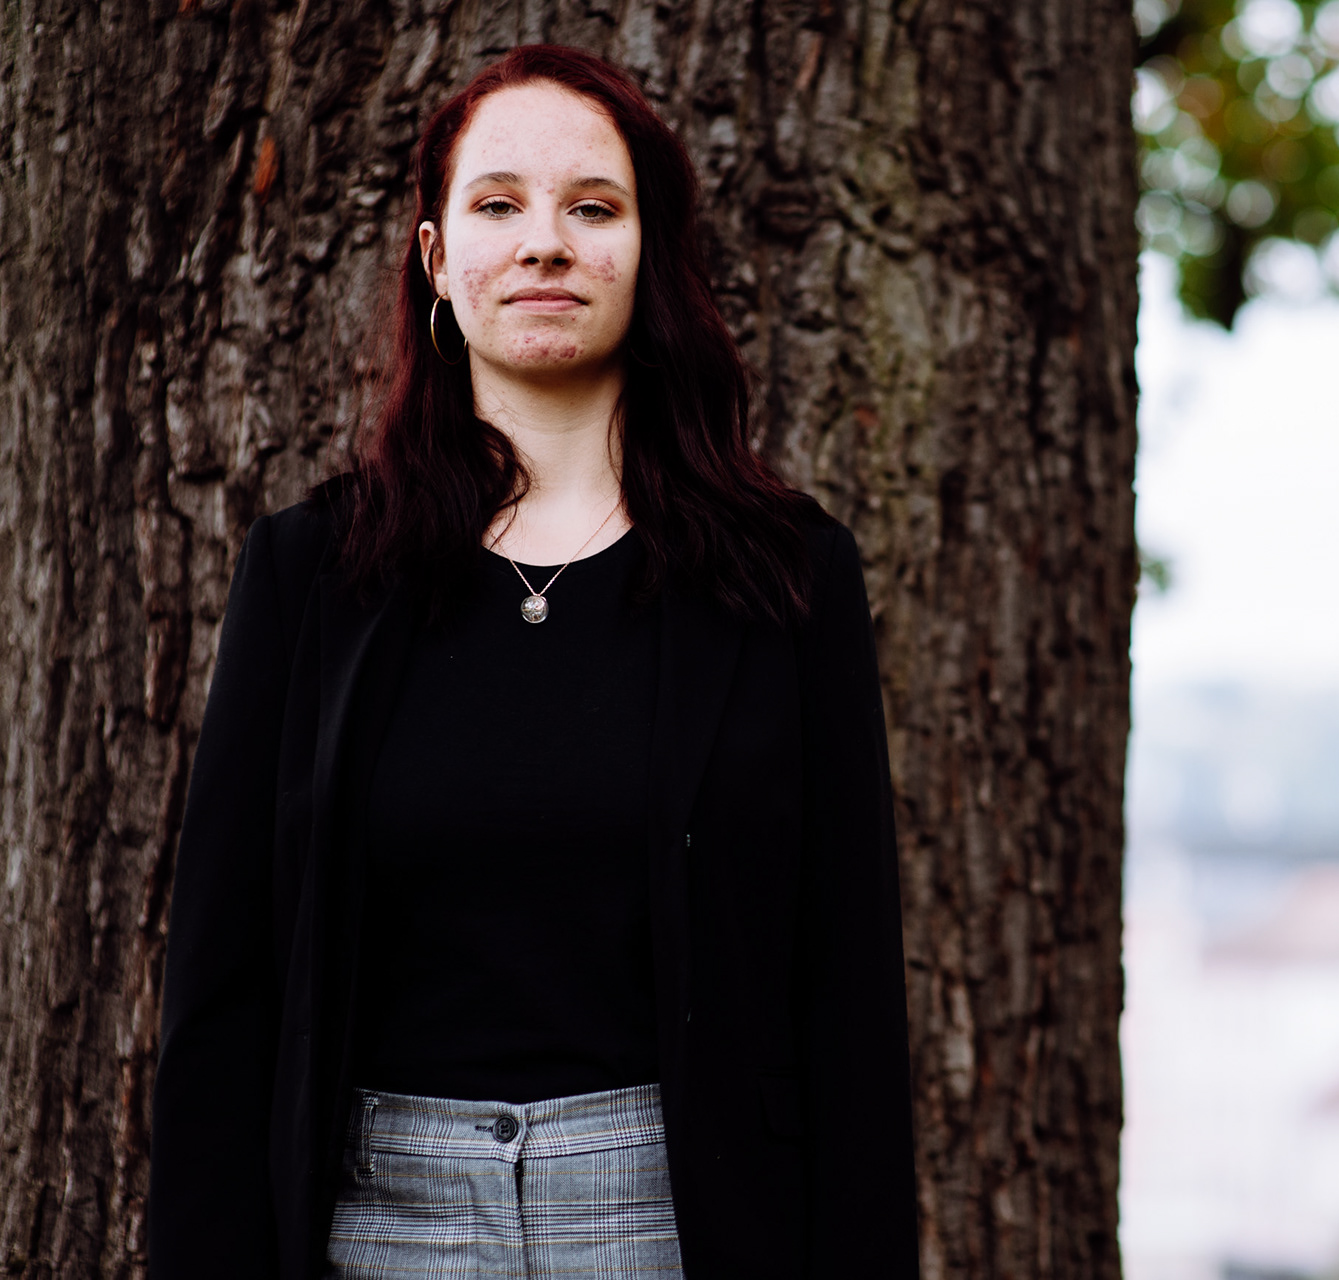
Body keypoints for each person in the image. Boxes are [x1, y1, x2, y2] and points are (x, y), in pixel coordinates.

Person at [147, 44, 918, 1280]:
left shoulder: (786, 577)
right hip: (377, 1226)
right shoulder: (312, 573)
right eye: (499, 205)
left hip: (680, 1226)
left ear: (649, 254)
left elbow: (851, 996)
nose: (546, 243)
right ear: (436, 257)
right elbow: (221, 994)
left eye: (593, 209)